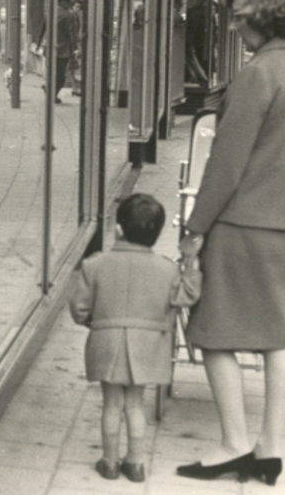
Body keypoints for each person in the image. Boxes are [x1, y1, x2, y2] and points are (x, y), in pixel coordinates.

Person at [176, 0, 285, 486]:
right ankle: (269, 451)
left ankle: (233, 444)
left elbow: (226, 162)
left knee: (214, 333)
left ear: (265, 17)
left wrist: (195, 229)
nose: (233, 25)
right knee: (275, 337)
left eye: (239, 17)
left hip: (240, 225)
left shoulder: (257, 73)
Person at [69, 194, 200, 483]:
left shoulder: (94, 264)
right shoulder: (167, 269)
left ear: (118, 229)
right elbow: (187, 295)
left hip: (107, 342)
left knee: (111, 404)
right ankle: (136, 463)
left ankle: (109, 462)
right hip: (147, 347)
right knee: (135, 404)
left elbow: (79, 309)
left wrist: (97, 323)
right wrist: (191, 261)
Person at [38, 0, 81, 103]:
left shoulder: (48, 13)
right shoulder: (68, 15)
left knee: (52, 73)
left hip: (49, 49)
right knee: (61, 77)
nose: (70, 5)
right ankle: (51, 93)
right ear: (63, 2)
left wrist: (38, 44)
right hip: (62, 51)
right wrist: (75, 49)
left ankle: (51, 92)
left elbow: (42, 29)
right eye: (68, 3)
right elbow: (71, 34)